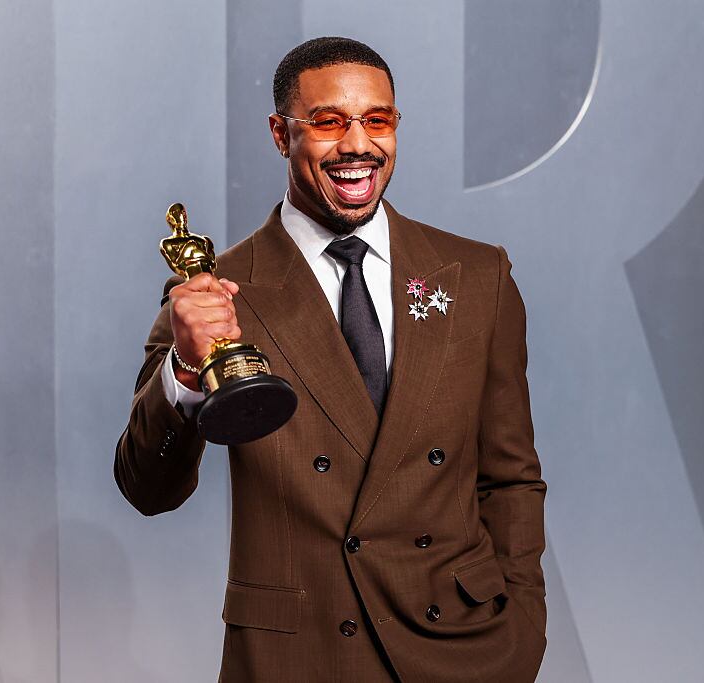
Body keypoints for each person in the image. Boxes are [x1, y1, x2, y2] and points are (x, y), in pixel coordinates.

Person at [115, 36, 547, 682]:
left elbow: (510, 477)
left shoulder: (477, 276)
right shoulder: (216, 290)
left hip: (461, 646)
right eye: (327, 122)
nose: (357, 145)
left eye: (377, 120)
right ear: (279, 134)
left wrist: (523, 629)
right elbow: (147, 487)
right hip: (299, 653)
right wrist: (182, 369)